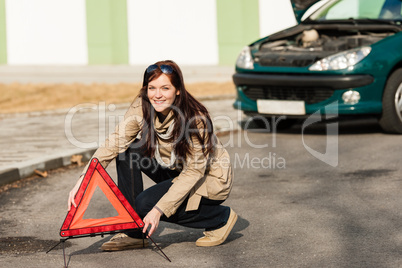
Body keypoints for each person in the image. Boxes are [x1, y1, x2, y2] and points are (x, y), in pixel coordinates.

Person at [67, 60, 237, 251]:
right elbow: (115, 141)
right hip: (176, 168)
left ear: (178, 90)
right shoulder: (143, 105)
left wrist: (158, 210)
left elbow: (194, 172)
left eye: (165, 88)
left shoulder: (196, 119)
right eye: (152, 88)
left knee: (146, 204)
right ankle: (135, 233)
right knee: (127, 151)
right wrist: (85, 178)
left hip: (208, 178)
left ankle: (220, 218)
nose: (157, 95)